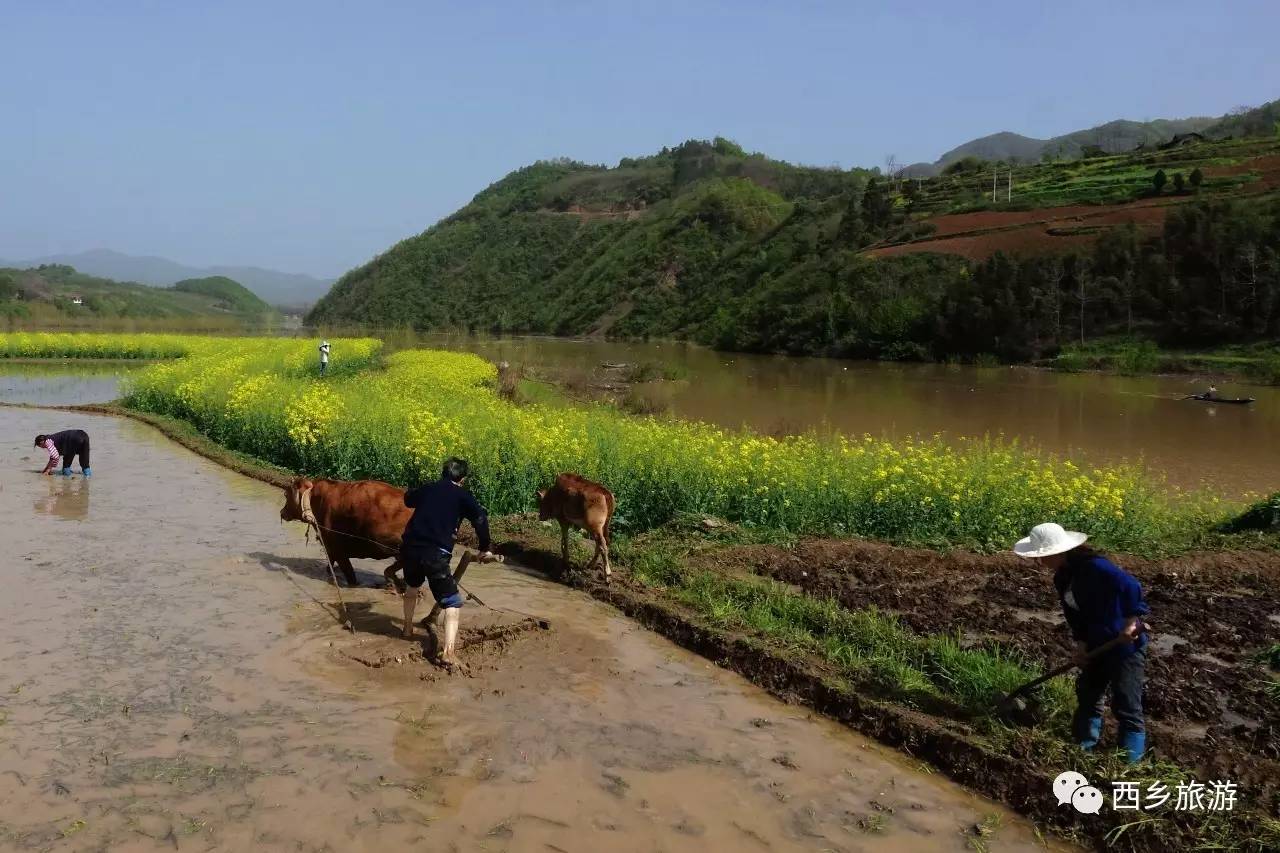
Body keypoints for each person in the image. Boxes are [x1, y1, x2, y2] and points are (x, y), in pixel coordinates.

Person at [1013, 522, 1149, 763]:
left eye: (1042, 556)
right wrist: (1081, 646)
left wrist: (1130, 622)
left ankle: (1129, 765)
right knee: (1088, 694)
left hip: (1122, 645)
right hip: (1096, 644)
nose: (1039, 562)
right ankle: (1082, 748)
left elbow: (1131, 587)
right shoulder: (1062, 577)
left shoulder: (1096, 567)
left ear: (1058, 552)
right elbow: (1075, 616)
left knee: (1126, 704)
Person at [399, 457, 493, 666]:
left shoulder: (429, 489)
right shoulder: (463, 495)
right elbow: (480, 519)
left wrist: (416, 488)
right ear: (462, 478)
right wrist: (485, 548)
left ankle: (406, 630)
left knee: (412, 587)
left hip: (410, 549)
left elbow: (408, 499)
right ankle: (449, 653)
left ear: (443, 473)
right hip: (436, 552)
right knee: (452, 602)